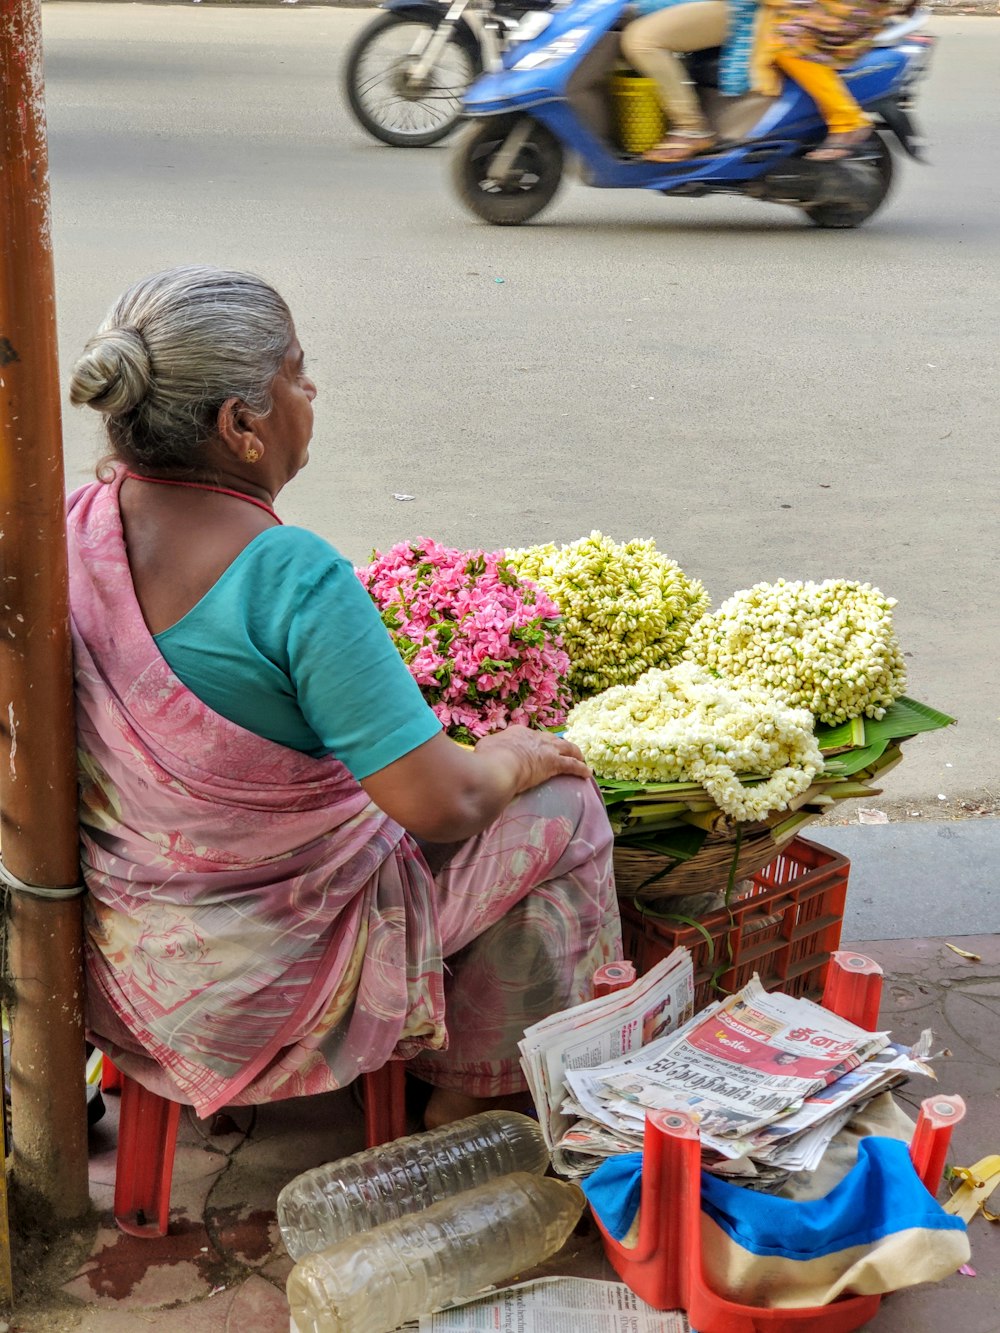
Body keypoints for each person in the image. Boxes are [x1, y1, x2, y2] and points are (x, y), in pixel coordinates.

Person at [67, 265, 622, 1133]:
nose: (310, 387)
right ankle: (474, 1098)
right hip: (270, 988)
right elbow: (449, 803)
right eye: (294, 370)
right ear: (239, 424)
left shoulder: (73, 529)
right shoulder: (290, 574)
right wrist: (513, 754)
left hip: (128, 968)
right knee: (562, 801)